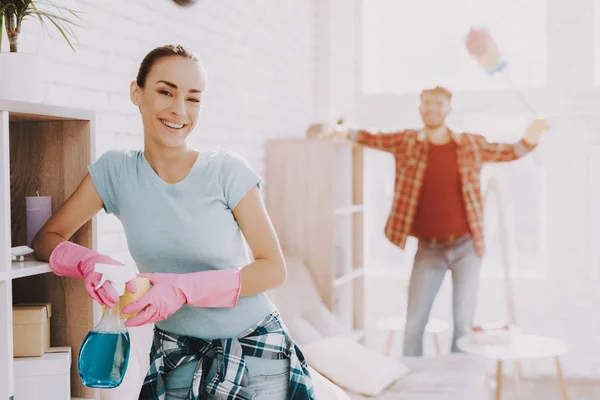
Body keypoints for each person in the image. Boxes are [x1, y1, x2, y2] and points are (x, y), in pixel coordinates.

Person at [32, 45, 314, 400]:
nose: (179, 110)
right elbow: (46, 238)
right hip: (174, 350)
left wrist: (183, 289)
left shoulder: (226, 171)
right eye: (166, 91)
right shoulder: (115, 172)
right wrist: (89, 263)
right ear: (137, 93)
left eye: (193, 99)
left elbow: (273, 270)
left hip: (254, 344)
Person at [317, 86, 549, 356]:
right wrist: (343, 131)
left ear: (449, 109)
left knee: (463, 324)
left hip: (467, 247)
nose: (432, 108)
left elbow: (509, 152)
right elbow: (372, 138)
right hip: (428, 249)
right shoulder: (406, 142)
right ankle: (412, 385)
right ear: (420, 108)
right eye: (427, 103)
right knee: (414, 322)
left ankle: (456, 387)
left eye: (439, 104)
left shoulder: (470, 144)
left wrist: (532, 137)